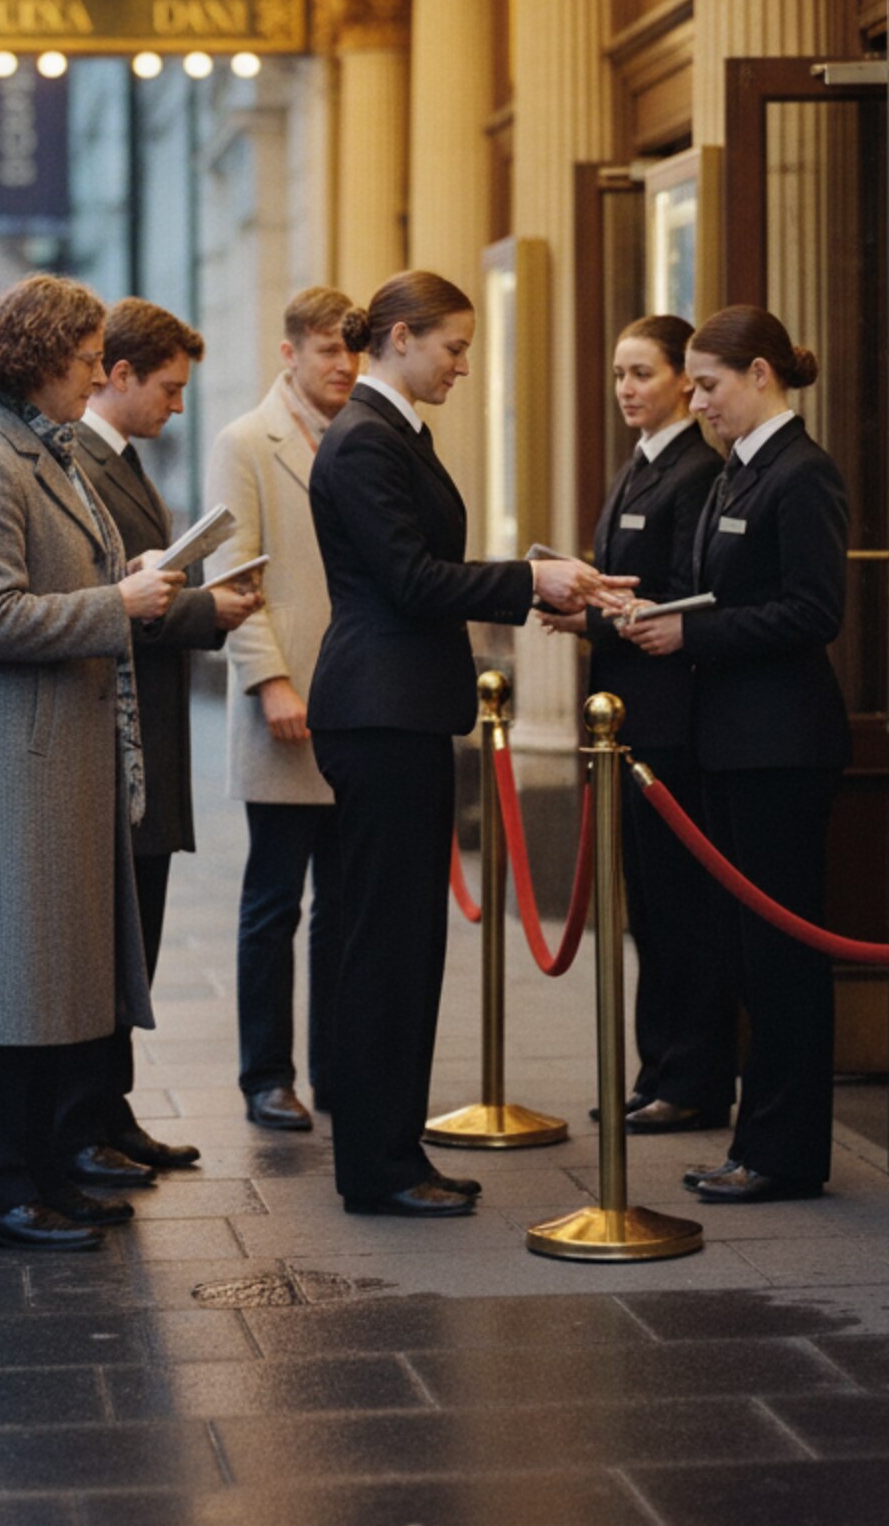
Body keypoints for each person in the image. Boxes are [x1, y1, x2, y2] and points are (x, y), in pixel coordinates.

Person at [308, 271, 632, 1217]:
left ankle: (394, 1152)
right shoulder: (366, 437)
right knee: (386, 946)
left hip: (397, 708)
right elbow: (412, 579)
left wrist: (532, 579)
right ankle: (376, 1166)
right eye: (453, 347)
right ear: (400, 338)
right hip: (379, 711)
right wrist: (535, 581)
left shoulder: (387, 429)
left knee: (405, 944)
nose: (461, 365)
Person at [0, 274, 184, 1251]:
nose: (90, 379)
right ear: (35, 361)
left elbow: (45, 584)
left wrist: (119, 585)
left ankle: (36, 1170)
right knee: (6, 984)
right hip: (13, 767)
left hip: (55, 760)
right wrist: (120, 606)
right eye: (79, 364)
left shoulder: (40, 452)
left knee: (44, 983)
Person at [621, 303, 849, 1204]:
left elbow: (814, 611)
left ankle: (787, 1153)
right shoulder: (735, 475)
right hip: (729, 742)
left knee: (783, 954)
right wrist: (668, 619)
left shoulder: (802, 474)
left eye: (709, 385)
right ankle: (759, 1142)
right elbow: (718, 594)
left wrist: (692, 638)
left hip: (782, 747)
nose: (698, 400)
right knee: (751, 953)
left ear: (761, 374)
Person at [62, 298, 263, 1182]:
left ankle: (112, 1108)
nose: (177, 406)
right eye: (169, 390)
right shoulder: (78, 463)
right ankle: (86, 1119)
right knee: (111, 940)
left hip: (150, 727)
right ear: (119, 376)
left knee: (136, 935)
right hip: (118, 734)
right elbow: (105, 604)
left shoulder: (125, 462)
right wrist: (202, 608)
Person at [543, 315, 729, 1133]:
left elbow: (687, 593)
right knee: (645, 908)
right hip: (621, 720)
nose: (626, 389)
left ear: (685, 382)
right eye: (619, 374)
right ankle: (657, 1068)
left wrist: (591, 620)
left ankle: (690, 1078)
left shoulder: (696, 471)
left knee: (679, 906)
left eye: (642, 374)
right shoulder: (639, 465)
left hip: (665, 724)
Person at [204, 285, 358, 1130]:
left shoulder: (360, 437)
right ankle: (266, 1076)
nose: (343, 365)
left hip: (354, 701)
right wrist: (270, 683)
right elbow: (232, 574)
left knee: (343, 902)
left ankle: (336, 1069)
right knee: (274, 901)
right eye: (328, 349)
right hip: (285, 701)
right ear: (290, 353)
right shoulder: (246, 442)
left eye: (352, 350)